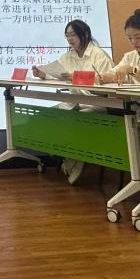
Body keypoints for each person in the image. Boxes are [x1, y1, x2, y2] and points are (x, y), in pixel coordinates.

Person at [32, 19, 113, 184]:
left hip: (96, 104)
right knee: (47, 117)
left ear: (85, 34)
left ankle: (73, 161)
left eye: (73, 35)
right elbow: (58, 72)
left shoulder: (99, 55)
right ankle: (69, 159)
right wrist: (43, 73)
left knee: (74, 122)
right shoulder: (70, 55)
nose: (69, 39)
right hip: (75, 103)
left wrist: (76, 77)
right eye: (67, 35)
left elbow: (107, 83)